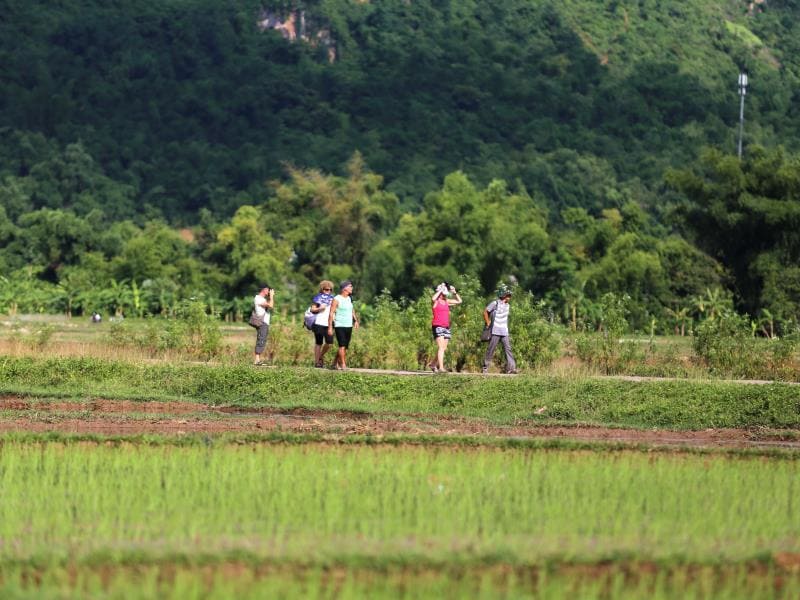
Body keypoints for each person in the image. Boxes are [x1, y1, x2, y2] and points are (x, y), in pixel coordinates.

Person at [482, 285, 517, 374]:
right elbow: (485, 311)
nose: (509, 297)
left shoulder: (508, 305)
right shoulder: (495, 303)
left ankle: (511, 368)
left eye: (509, 295)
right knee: (491, 349)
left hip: (504, 331)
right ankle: (485, 368)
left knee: (508, 349)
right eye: (508, 295)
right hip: (495, 330)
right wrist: (488, 322)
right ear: (503, 295)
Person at [428, 282, 462, 373]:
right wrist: (440, 290)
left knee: (443, 348)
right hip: (437, 326)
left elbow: (459, 301)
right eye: (443, 293)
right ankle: (441, 368)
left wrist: (454, 292)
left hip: (446, 327)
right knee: (441, 347)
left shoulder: (446, 301)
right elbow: (433, 298)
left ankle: (433, 364)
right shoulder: (436, 301)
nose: (445, 295)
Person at [327, 280, 359, 370]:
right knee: (342, 345)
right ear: (345, 288)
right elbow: (331, 313)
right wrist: (330, 327)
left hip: (348, 325)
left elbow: (352, 310)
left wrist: (355, 321)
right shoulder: (336, 299)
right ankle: (343, 365)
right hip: (339, 325)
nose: (352, 288)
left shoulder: (349, 298)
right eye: (350, 286)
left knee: (345, 347)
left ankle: (334, 363)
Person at [310, 280, 335, 368]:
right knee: (318, 343)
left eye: (330, 289)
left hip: (329, 324)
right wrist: (320, 308)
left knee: (329, 343)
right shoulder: (317, 298)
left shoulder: (333, 299)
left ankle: (320, 356)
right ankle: (317, 362)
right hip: (319, 323)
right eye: (326, 289)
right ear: (322, 289)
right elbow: (312, 309)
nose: (328, 291)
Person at [253, 283, 274, 365]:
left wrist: (270, 297)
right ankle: (256, 360)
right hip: (262, 322)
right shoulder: (258, 298)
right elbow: (271, 305)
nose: (269, 291)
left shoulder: (262, 299)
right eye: (268, 290)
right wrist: (271, 296)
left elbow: (269, 305)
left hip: (264, 322)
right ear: (264, 289)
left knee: (262, 339)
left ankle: (258, 360)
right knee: (261, 339)